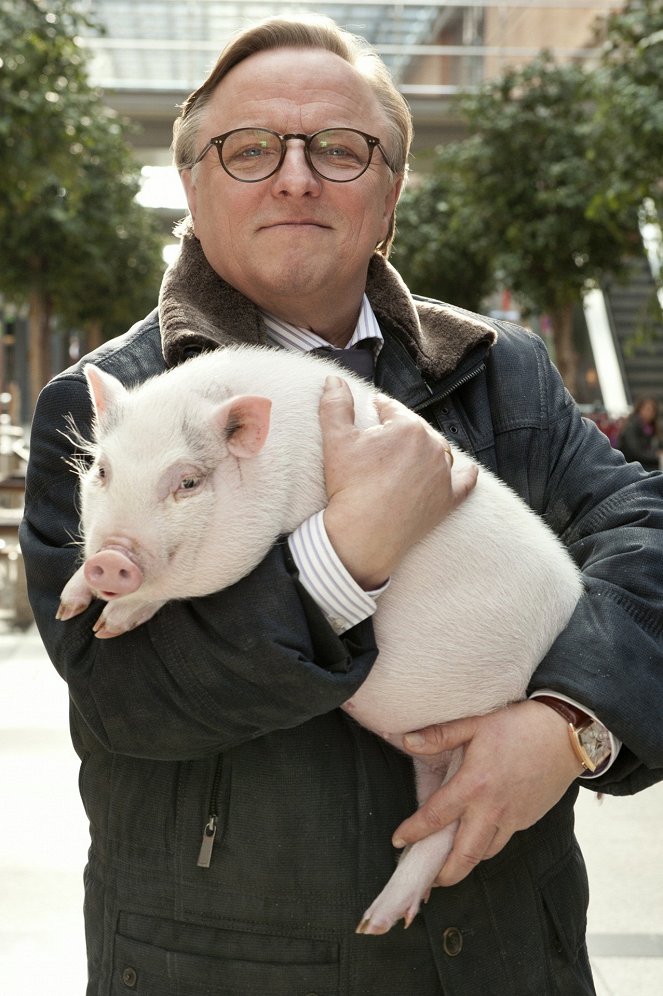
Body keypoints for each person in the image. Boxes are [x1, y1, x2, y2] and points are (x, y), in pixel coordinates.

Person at [20, 15, 663, 996]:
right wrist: (339, 558)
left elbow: (646, 539)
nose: (294, 177)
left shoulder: (501, 375)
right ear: (191, 186)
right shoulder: (105, 402)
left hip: (503, 958)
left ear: (390, 191)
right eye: (248, 150)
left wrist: (569, 723)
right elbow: (130, 699)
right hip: (225, 970)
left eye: (339, 148)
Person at [617, 396, 661, 471]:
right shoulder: (631, 426)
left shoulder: (650, 428)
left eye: (653, 411)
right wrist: (656, 456)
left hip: (641, 464)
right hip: (630, 466)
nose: (650, 413)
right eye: (647, 409)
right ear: (639, 410)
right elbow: (636, 452)